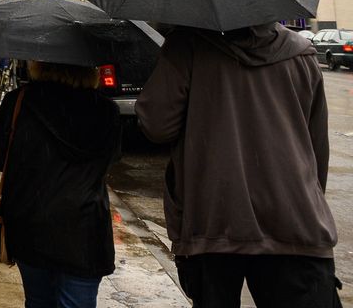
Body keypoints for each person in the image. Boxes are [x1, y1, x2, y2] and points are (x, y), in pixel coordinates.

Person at [136, 23, 341, 307]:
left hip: (213, 218)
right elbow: (316, 145)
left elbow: (156, 126)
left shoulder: (187, 47)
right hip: (295, 219)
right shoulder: (301, 53)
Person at [0, 61, 121, 307]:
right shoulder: (106, 111)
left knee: (38, 301)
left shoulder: (20, 102)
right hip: (84, 232)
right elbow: (111, 159)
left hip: (31, 223)